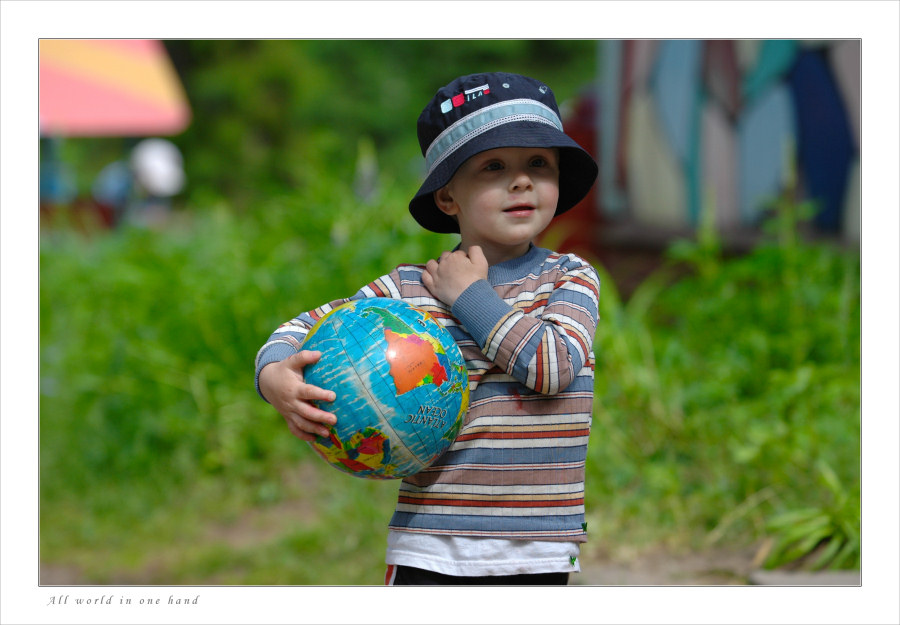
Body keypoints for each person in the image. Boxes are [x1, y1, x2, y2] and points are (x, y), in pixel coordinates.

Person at [255, 72, 600, 585]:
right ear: (447, 198)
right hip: (431, 544)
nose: (521, 180)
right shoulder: (410, 290)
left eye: (538, 164)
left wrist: (469, 297)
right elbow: (304, 326)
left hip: (538, 546)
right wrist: (274, 376)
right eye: (492, 166)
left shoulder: (568, 277)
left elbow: (552, 366)